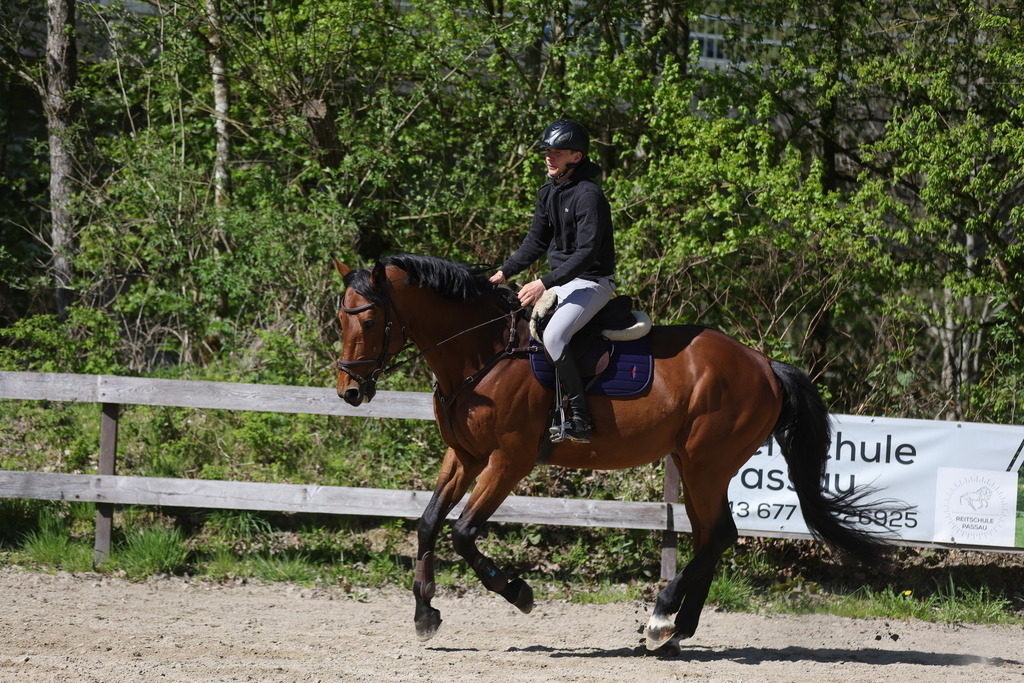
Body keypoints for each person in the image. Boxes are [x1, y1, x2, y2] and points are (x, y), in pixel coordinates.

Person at [489, 119, 615, 443]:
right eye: (547, 151)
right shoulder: (548, 192)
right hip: (560, 282)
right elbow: (535, 241)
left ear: (576, 156)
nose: (549, 157)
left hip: (592, 282)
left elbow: (587, 254)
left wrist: (543, 283)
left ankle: (580, 419)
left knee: (555, 335)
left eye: (557, 152)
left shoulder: (590, 196)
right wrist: (506, 271)